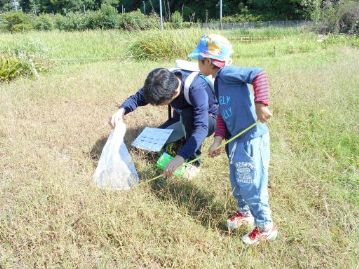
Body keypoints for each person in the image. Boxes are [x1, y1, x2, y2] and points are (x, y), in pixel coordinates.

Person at [188, 34, 277, 245]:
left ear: (208, 61)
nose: (197, 64)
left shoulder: (227, 73)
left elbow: (258, 74)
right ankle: (244, 213)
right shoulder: (218, 81)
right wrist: (218, 139)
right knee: (238, 180)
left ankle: (266, 226)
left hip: (251, 140)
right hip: (236, 142)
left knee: (252, 184)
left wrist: (261, 104)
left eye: (198, 60)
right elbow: (222, 112)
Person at [109, 67, 218, 178]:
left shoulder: (196, 89)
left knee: (188, 115)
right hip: (181, 118)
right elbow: (138, 97)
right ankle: (180, 141)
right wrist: (121, 110)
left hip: (209, 118)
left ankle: (194, 162)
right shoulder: (160, 82)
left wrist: (181, 157)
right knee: (146, 147)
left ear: (174, 93)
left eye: (162, 103)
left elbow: (201, 128)